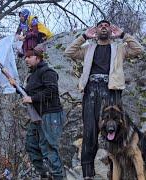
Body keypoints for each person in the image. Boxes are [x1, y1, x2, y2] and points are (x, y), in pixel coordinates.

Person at [64, 20, 144, 179]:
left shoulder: (119, 48)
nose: (104, 27)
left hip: (111, 91)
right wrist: (84, 36)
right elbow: (69, 52)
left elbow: (139, 49)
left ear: (111, 31)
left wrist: (122, 35)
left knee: (116, 130)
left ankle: (115, 173)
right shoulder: (88, 49)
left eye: (107, 26)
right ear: (96, 31)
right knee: (89, 133)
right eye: (100, 26)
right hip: (91, 92)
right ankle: (88, 175)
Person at [12, 46, 65, 179]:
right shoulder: (31, 77)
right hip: (38, 117)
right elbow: (28, 94)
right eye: (25, 57)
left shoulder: (48, 72)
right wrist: (16, 87)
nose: (26, 60)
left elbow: (51, 90)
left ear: (38, 57)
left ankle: (58, 177)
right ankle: (44, 175)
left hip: (50, 114)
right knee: (31, 145)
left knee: (49, 148)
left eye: (29, 57)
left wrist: (32, 98)